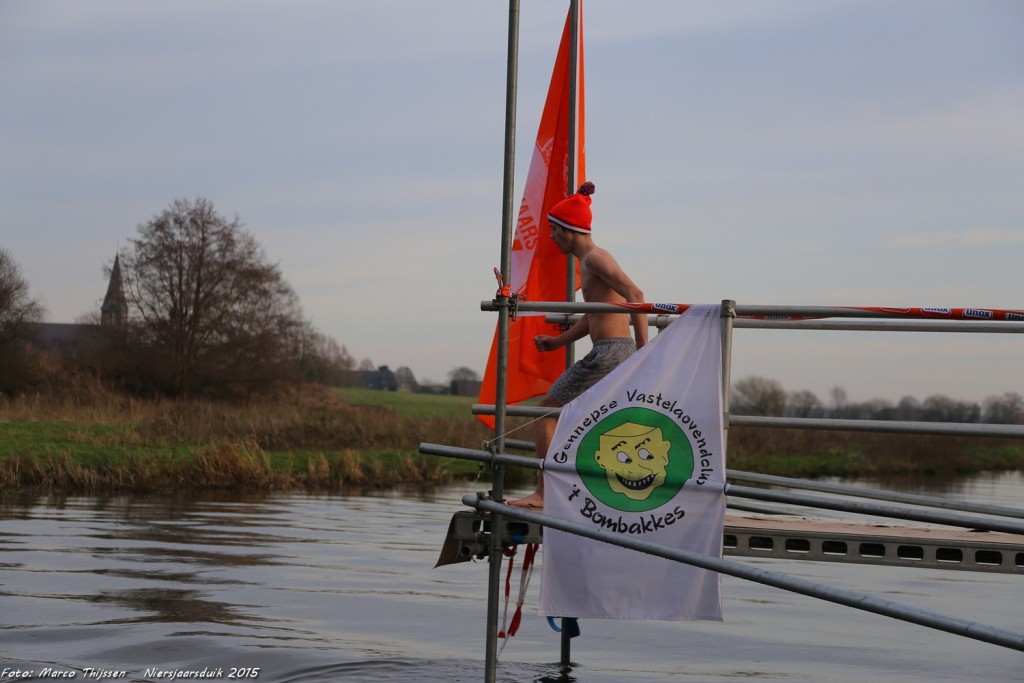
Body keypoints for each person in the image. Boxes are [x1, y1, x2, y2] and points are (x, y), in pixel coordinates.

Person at [509, 181, 648, 509]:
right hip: (609, 350)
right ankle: (584, 489)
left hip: (610, 352)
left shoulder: (596, 259)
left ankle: (544, 494)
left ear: (570, 230)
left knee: (545, 413)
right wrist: (558, 341)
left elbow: (636, 295)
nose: (552, 237)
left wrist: (646, 352)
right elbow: (595, 314)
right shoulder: (589, 262)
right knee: (582, 420)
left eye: (554, 230)